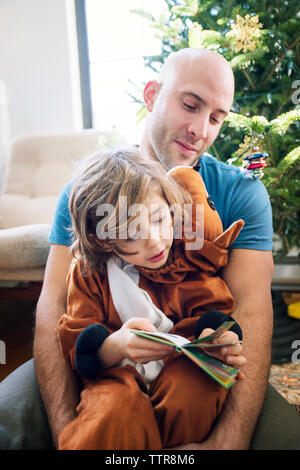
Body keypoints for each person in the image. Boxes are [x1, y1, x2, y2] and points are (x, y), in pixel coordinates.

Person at [0, 48, 299, 450]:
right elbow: (54, 305)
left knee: (285, 439)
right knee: (7, 422)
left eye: (216, 117)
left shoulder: (241, 193)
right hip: (99, 365)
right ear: (152, 95)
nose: (200, 129)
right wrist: (71, 431)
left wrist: (226, 443)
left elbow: (251, 308)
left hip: (197, 370)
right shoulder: (87, 192)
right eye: (190, 105)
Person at [55, 148, 246, 449]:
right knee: (113, 412)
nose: (155, 241)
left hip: (180, 364)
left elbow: (213, 307)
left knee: (195, 391)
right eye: (132, 235)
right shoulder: (88, 274)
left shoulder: (186, 259)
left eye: (159, 219)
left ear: (170, 207)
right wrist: (114, 345)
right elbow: (76, 340)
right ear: (101, 239)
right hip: (116, 377)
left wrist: (216, 336)